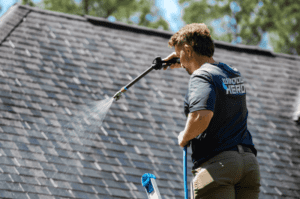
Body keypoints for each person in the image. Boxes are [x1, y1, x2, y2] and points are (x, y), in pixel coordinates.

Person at [163, 23, 261, 199]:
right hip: (248, 167)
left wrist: (184, 137)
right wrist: (181, 60)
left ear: (189, 50)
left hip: (219, 168)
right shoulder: (232, 73)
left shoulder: (201, 76)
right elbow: (209, 69)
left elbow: (201, 116)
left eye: (180, 55)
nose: (181, 62)